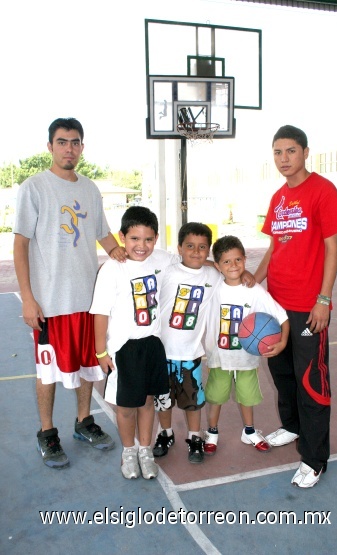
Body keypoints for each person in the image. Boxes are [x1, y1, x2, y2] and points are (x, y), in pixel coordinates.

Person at [13, 117, 126, 469]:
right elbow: (20, 246)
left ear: (82, 147)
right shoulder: (34, 187)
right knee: (47, 373)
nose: (69, 149)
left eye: (75, 142)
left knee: (88, 367)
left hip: (87, 299)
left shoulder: (90, 189)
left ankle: (84, 423)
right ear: (50, 146)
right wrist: (28, 298)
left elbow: (104, 236)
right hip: (49, 303)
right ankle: (47, 433)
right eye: (62, 142)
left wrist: (128, 254)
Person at [254, 124, 337, 488]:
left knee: (311, 381)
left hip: (308, 307)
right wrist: (255, 280)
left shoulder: (323, 191)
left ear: (305, 152)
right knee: (282, 373)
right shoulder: (279, 197)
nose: (283, 158)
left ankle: (315, 458)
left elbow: (332, 248)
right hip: (276, 306)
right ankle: (292, 427)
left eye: (290, 151)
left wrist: (324, 298)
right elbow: (273, 248)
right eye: (277, 152)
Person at [90, 206, 180, 480]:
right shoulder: (112, 269)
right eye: (134, 239)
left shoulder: (160, 259)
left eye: (148, 239)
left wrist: (229, 270)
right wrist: (101, 351)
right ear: (122, 237)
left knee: (147, 403)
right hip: (123, 350)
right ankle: (128, 451)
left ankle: (145, 449)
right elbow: (100, 313)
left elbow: (189, 260)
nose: (142, 246)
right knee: (126, 407)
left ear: (155, 239)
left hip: (152, 344)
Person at [204, 235, 289, 456]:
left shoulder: (254, 291)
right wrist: (212, 262)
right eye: (226, 262)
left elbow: (281, 316)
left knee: (247, 397)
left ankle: (249, 431)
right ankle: (212, 432)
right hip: (220, 357)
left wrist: (283, 342)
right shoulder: (213, 286)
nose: (233, 265)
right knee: (216, 397)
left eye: (238, 260)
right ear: (217, 266)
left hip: (246, 357)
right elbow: (194, 260)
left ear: (245, 259)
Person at [152, 223, 223, 464]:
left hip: (191, 353)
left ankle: (195, 437)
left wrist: (237, 272)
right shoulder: (167, 272)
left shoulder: (213, 276)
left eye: (202, 247)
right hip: (162, 353)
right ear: (179, 248)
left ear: (209, 250)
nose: (196, 251)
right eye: (190, 246)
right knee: (163, 400)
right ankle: (166, 433)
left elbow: (231, 274)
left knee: (193, 402)